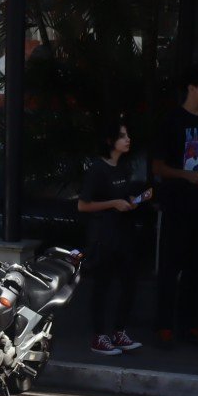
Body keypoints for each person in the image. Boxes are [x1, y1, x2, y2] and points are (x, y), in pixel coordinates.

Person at [151, 63, 198, 345]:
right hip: (176, 201)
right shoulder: (171, 120)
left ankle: (192, 323)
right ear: (191, 88)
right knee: (171, 264)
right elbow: (158, 166)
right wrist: (185, 175)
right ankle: (164, 325)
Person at [78, 117, 149, 355]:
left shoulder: (124, 167)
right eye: (122, 136)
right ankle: (99, 336)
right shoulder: (97, 169)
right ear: (110, 140)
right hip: (104, 235)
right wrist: (113, 203)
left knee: (129, 283)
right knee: (103, 285)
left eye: (127, 135)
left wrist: (133, 202)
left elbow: (124, 196)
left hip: (124, 234)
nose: (128, 140)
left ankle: (119, 331)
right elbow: (83, 205)